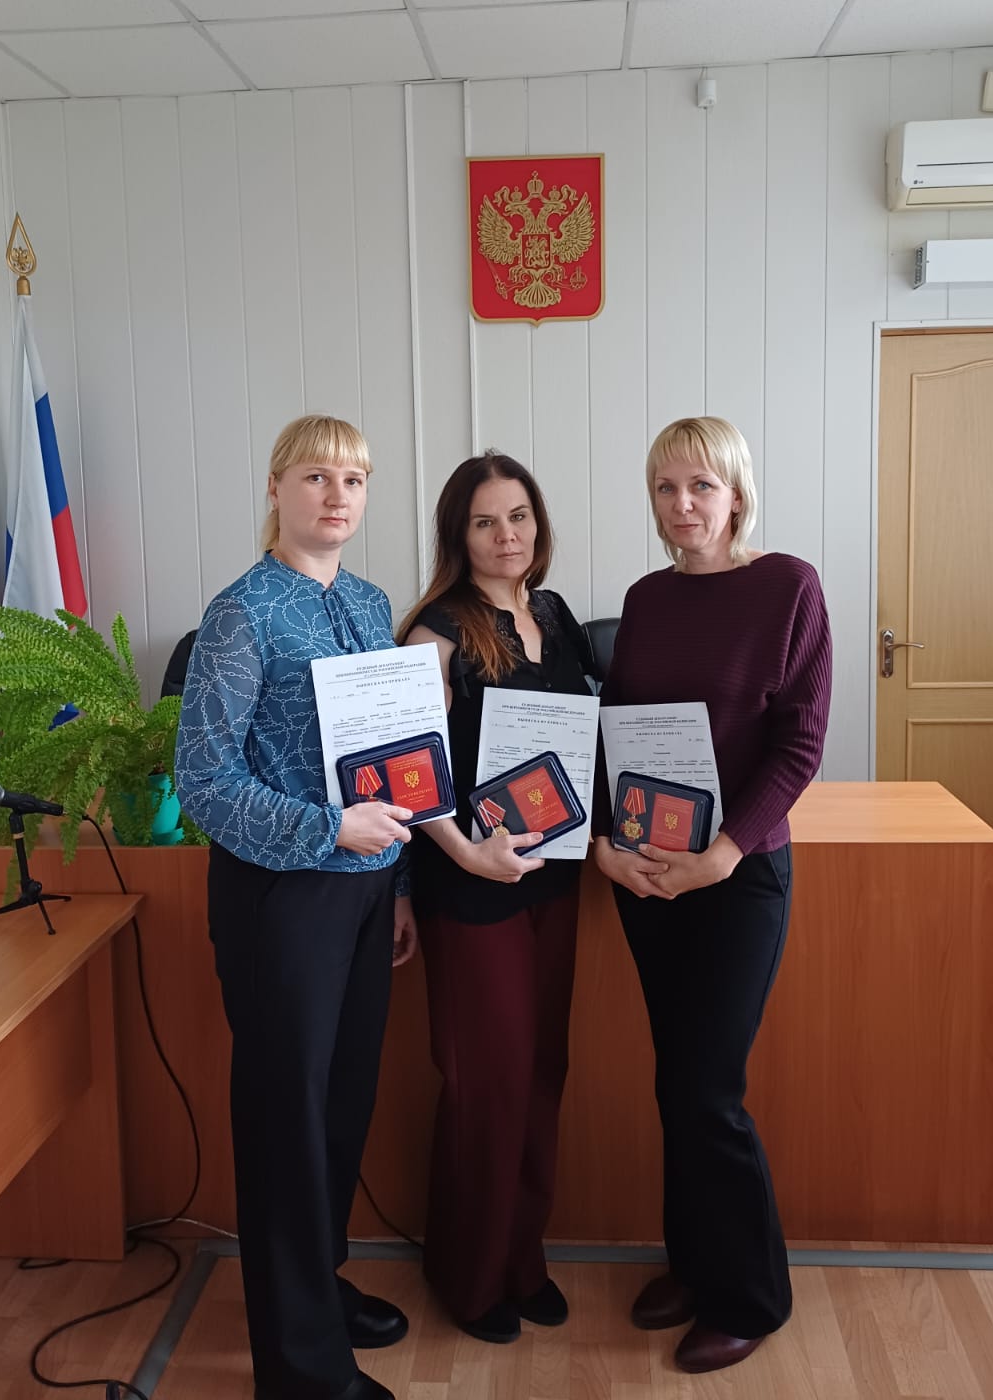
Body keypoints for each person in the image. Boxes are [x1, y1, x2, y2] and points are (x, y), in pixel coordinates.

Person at [175, 414, 417, 1400]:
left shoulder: (368, 599)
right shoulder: (242, 613)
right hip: (282, 895)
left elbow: (394, 757)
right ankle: (302, 1368)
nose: (337, 495)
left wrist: (397, 884)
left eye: (353, 478)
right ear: (276, 488)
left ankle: (314, 1289)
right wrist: (328, 831)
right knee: (286, 1118)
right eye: (316, 476)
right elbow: (203, 778)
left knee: (342, 1104)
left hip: (366, 892)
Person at [592, 416, 831, 1377]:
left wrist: (726, 853)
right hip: (653, 872)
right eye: (665, 487)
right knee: (675, 1081)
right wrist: (608, 844)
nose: (682, 505)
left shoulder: (788, 586)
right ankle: (694, 1266)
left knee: (708, 1089)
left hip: (737, 875)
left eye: (701, 486)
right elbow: (619, 727)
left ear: (736, 493)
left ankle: (751, 1297)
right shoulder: (646, 599)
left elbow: (800, 745)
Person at [396, 451, 594, 1344]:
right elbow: (406, 771)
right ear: (458, 535)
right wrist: (465, 854)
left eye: (518, 516)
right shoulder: (434, 633)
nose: (506, 535)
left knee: (543, 1071)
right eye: (485, 522)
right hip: (471, 883)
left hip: (557, 879)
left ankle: (522, 1259)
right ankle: (470, 1277)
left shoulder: (555, 616)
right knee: (488, 1081)